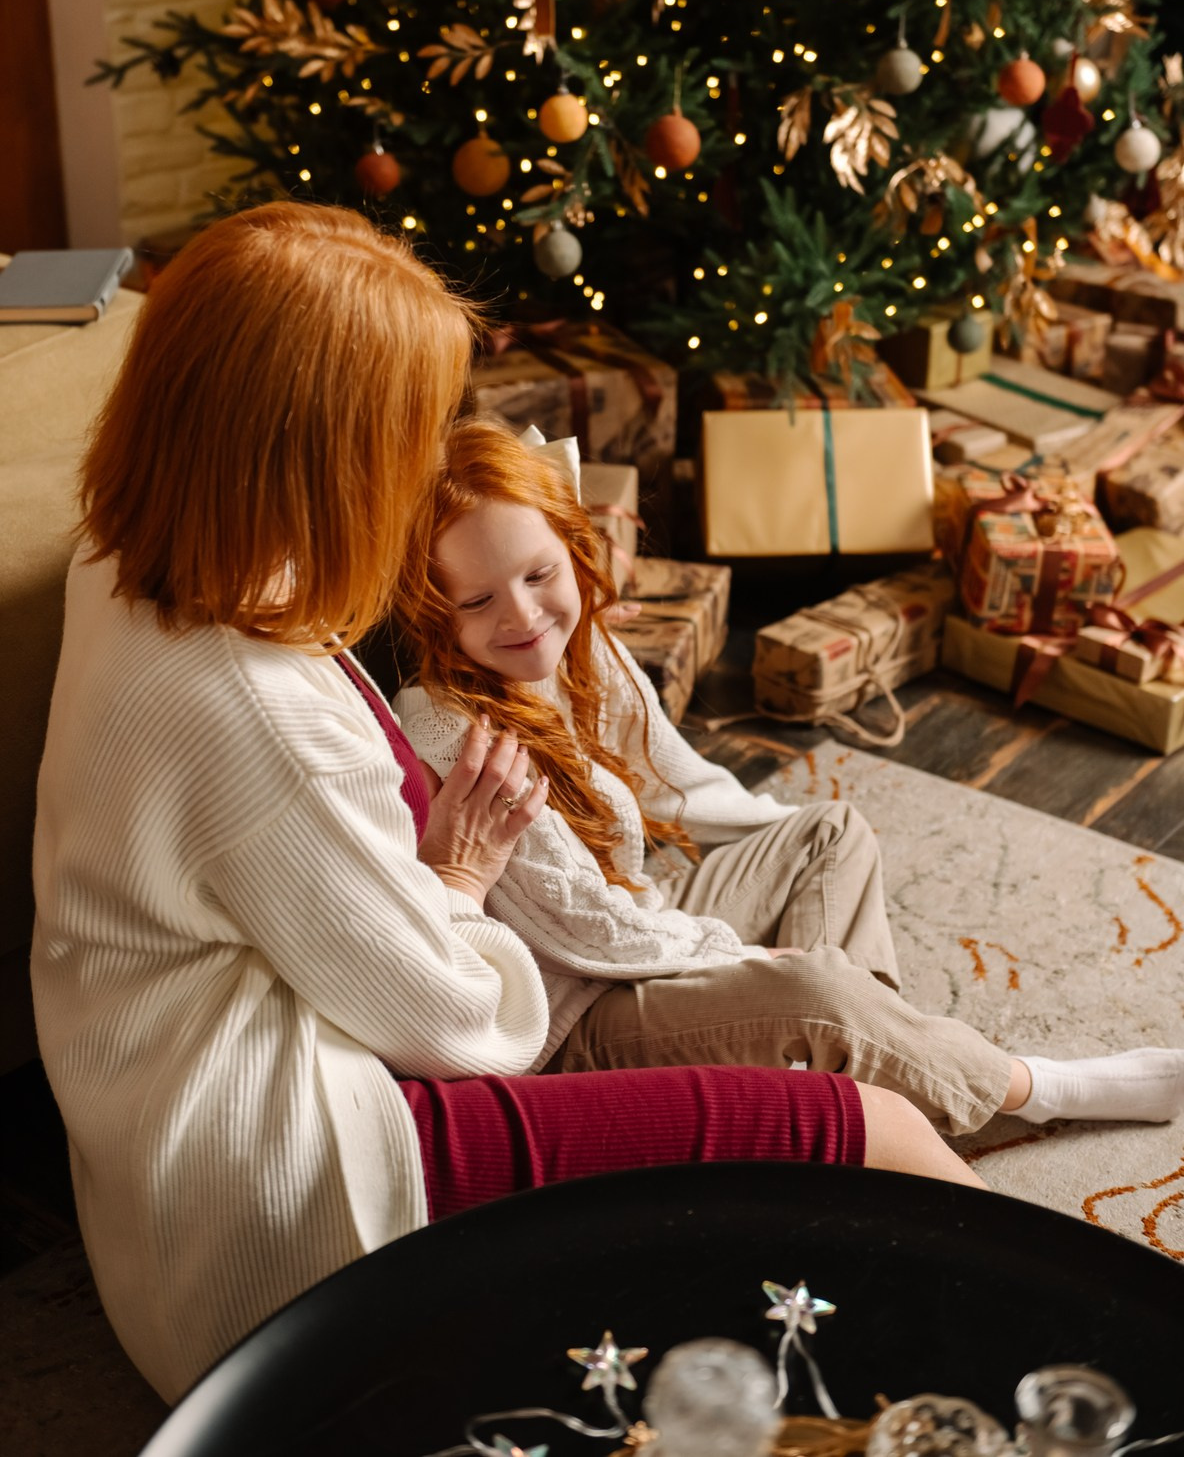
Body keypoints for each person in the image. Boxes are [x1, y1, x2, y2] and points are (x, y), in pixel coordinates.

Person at [30, 203, 976, 1409]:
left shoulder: (124, 557)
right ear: (317, 455)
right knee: (876, 1134)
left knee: (812, 1078)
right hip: (311, 1198)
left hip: (166, 1174)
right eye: (404, 432)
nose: (423, 463)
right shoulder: (253, 712)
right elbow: (460, 1026)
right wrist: (461, 879)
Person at [393, 417, 1184, 1139]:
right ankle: (1030, 1087)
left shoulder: (576, 646)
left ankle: (871, 1081)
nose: (522, 615)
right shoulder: (457, 732)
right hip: (576, 1016)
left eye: (539, 575)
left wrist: (775, 894)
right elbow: (588, 935)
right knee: (817, 988)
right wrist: (750, 960)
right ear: (436, 613)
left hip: (636, 920)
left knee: (830, 834)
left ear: (573, 552)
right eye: (478, 600)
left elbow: (682, 785)